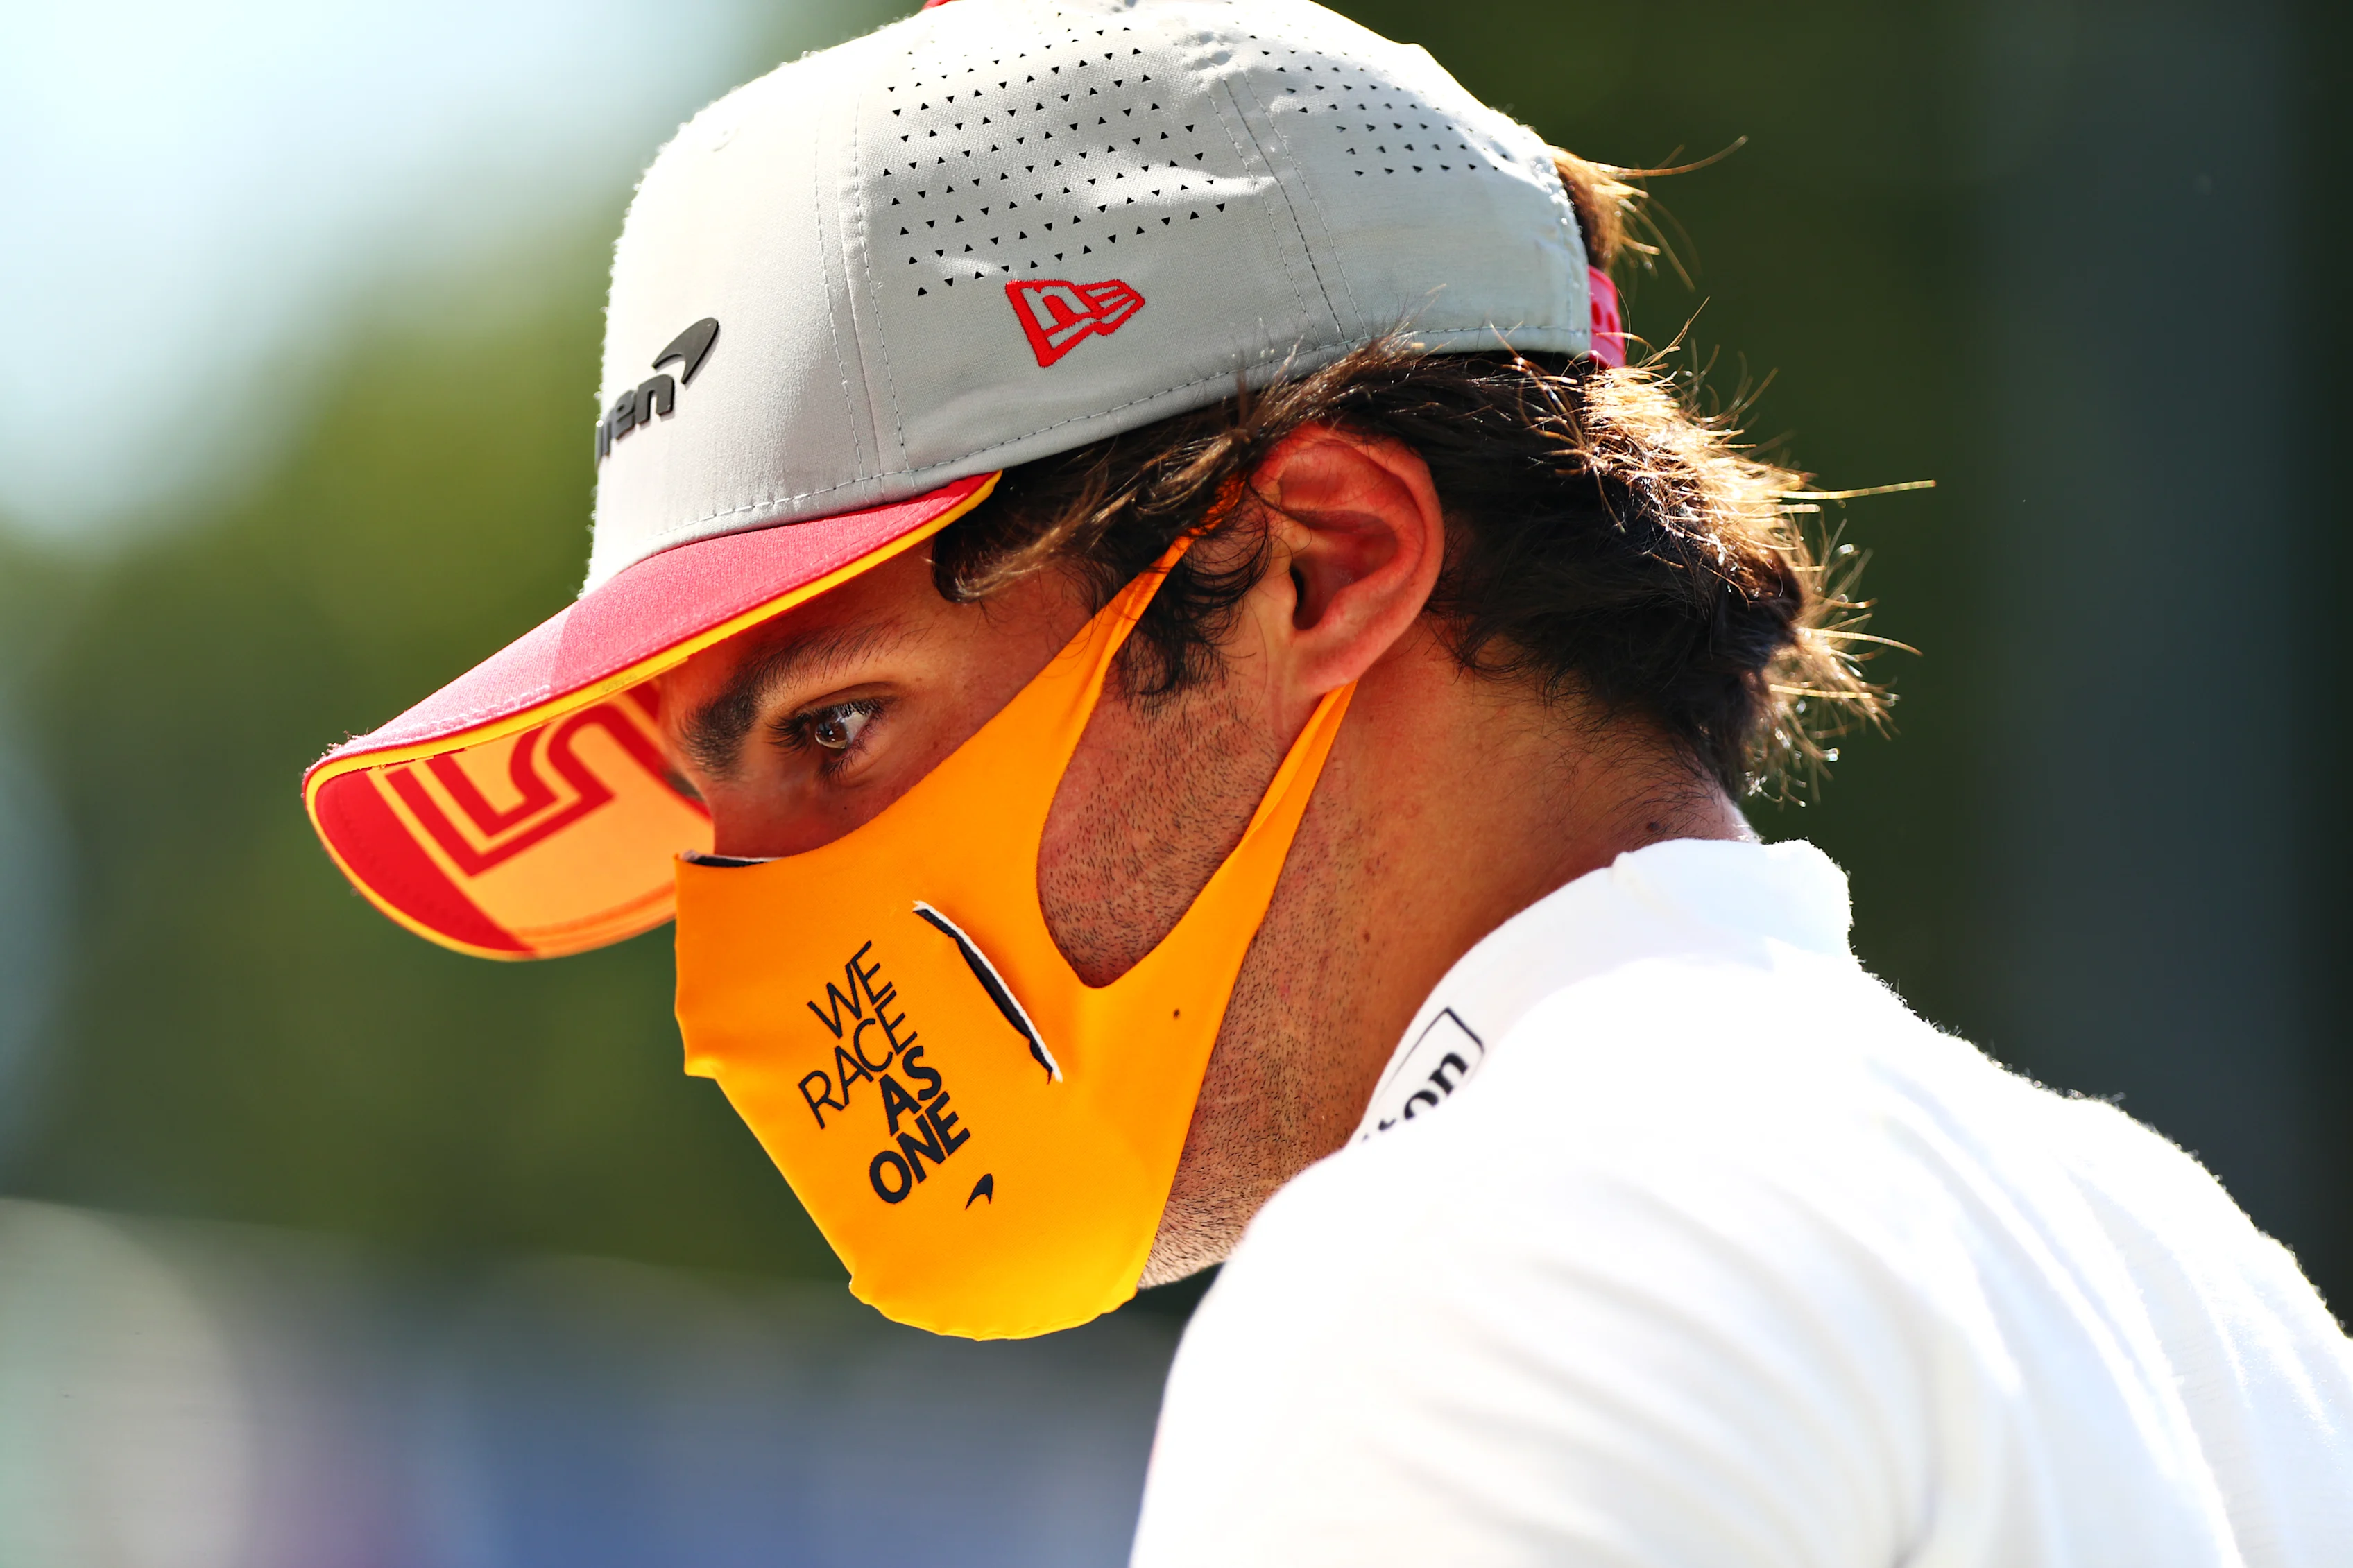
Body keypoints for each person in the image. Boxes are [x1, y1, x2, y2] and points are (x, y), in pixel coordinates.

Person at [302, 0, 2353, 1560]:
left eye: (834, 724)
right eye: (715, 808)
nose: (741, 942)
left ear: (1321, 563)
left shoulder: (1497, 1252)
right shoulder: (2203, 1295)